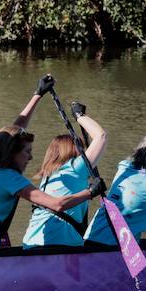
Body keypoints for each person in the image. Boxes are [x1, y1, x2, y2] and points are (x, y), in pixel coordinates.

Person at [0, 126, 104, 251]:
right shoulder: (10, 178)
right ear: (13, 152)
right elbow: (58, 205)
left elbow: (5, 135)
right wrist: (91, 192)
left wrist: (37, 96)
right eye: (27, 151)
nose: (31, 157)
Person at [22, 101, 108, 248]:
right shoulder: (75, 168)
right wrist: (79, 116)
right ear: (74, 151)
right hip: (58, 245)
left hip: (31, 243)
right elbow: (101, 136)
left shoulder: (48, 175)